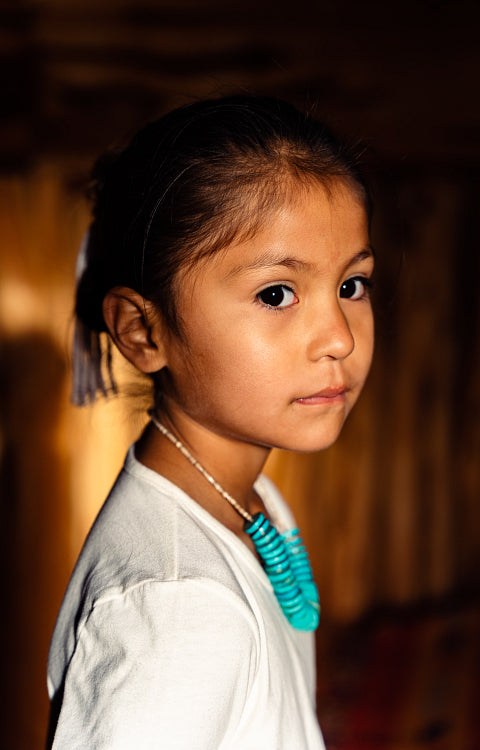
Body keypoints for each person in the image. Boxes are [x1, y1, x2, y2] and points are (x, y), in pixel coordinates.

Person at [47, 95, 375, 748]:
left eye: (352, 285)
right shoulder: (173, 605)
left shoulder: (250, 504)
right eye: (276, 294)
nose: (338, 337)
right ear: (144, 332)